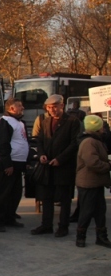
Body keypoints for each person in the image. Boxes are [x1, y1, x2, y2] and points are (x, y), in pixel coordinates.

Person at [31, 94, 81, 238]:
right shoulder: (45, 121)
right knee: (46, 197)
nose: (52, 110)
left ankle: (63, 226)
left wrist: (60, 159)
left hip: (64, 167)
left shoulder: (72, 122)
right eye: (49, 107)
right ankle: (46, 225)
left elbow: (74, 144)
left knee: (64, 199)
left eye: (54, 107)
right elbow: (39, 140)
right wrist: (41, 155)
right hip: (47, 166)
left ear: (62, 106)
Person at [0, 98, 28, 232]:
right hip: (5, 164)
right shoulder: (4, 122)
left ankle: (9, 217)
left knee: (15, 193)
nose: (22, 108)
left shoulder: (20, 123)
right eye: (19, 106)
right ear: (11, 109)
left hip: (18, 164)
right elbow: (2, 145)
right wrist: (7, 164)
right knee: (3, 193)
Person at [75, 115, 111, 248]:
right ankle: (81, 237)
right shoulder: (89, 142)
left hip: (95, 182)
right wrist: (108, 166)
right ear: (97, 127)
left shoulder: (95, 140)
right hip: (88, 183)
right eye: (101, 126)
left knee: (100, 211)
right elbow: (92, 163)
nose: (104, 128)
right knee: (87, 211)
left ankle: (101, 237)